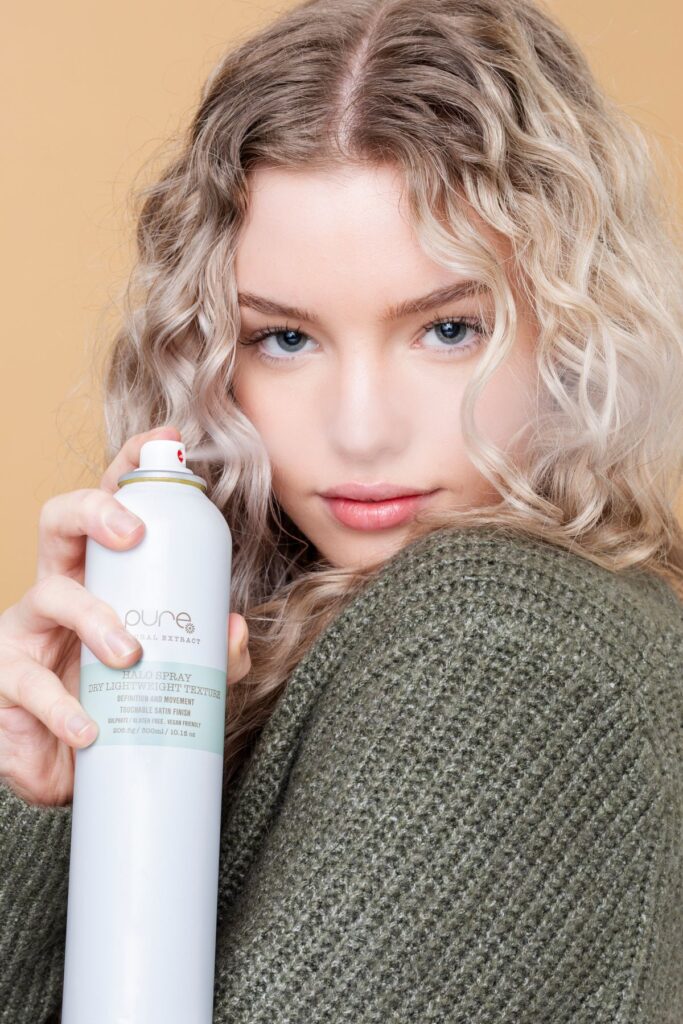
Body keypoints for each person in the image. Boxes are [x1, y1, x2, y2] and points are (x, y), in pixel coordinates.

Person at [1, 0, 682, 1020]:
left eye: (448, 328)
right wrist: (44, 791)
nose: (359, 430)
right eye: (284, 339)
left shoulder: (500, 635)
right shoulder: (339, 634)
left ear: (577, 328)